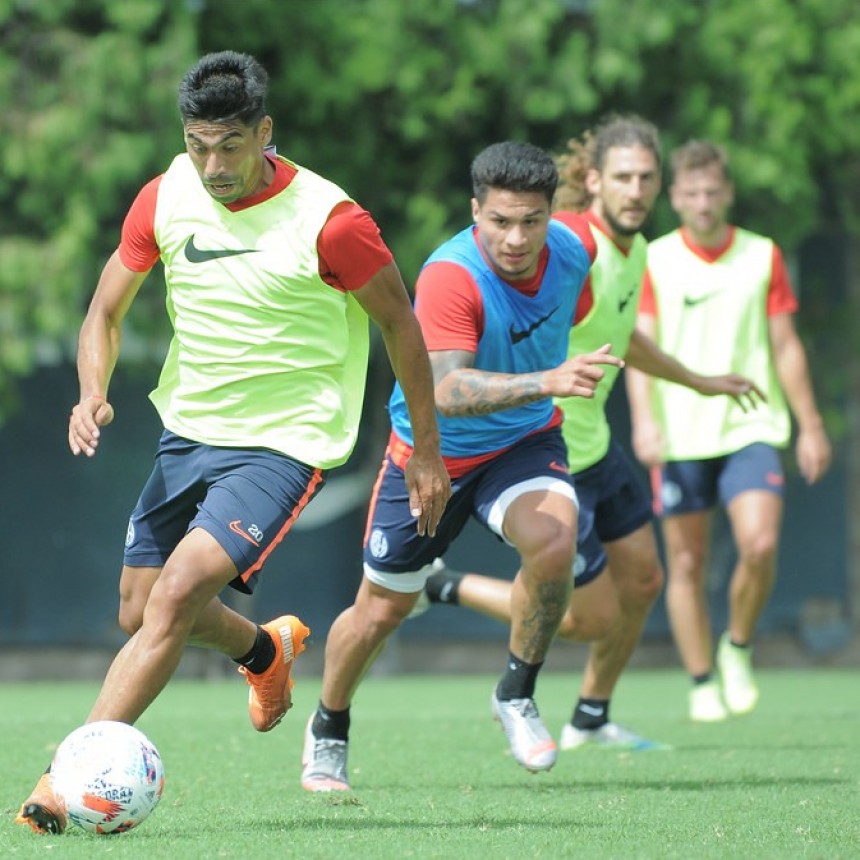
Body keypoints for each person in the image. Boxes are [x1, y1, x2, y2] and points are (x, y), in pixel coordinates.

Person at [16, 50, 450, 835]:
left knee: (177, 595)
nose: (212, 165)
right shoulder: (165, 196)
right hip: (188, 432)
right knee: (140, 609)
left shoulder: (332, 222)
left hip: (286, 443)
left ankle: (60, 779)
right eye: (196, 143)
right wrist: (91, 391)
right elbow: (105, 312)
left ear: (265, 133)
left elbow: (401, 326)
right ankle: (263, 653)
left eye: (229, 145)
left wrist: (424, 447)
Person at [416, 116, 763, 750]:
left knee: (645, 582)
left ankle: (592, 715)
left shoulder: (634, 251)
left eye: (647, 179)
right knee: (581, 616)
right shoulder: (572, 239)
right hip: (552, 453)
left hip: (598, 445)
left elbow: (623, 338)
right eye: (623, 178)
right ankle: (443, 585)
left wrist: (700, 380)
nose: (636, 191)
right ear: (595, 180)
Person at [300, 140, 627, 791]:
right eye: (499, 220)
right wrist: (550, 379)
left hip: (524, 445)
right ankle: (328, 726)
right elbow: (446, 390)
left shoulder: (572, 253)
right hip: (431, 453)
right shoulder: (452, 275)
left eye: (530, 221)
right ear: (475, 210)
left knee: (555, 544)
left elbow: (591, 319)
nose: (515, 237)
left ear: (551, 214)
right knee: (378, 613)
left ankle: (516, 694)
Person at [625, 139, 832, 722]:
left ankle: (737, 646)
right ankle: (700, 681)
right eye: (691, 193)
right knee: (686, 563)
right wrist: (644, 421)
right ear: (675, 198)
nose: (702, 202)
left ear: (728, 193)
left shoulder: (762, 255)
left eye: (712, 191)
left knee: (759, 543)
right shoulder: (654, 259)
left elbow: (786, 345)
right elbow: (636, 348)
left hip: (752, 424)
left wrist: (810, 425)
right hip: (680, 432)